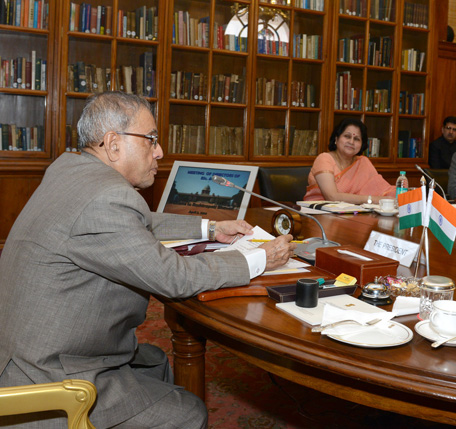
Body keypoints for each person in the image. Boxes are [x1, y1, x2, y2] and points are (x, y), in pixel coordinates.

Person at [0, 92, 295, 429]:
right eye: (151, 139)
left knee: (155, 362)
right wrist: (259, 259)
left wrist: (211, 228)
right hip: (46, 379)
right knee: (189, 412)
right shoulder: (106, 199)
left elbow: (138, 219)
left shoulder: (71, 169)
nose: (159, 151)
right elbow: (174, 278)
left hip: (28, 347)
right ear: (113, 144)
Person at [304, 118, 394, 203]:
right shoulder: (324, 159)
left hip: (354, 212)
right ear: (336, 139)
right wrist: (372, 199)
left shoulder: (363, 162)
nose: (351, 142)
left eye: (356, 139)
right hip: (320, 213)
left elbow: (382, 189)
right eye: (347, 136)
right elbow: (332, 197)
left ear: (361, 144)